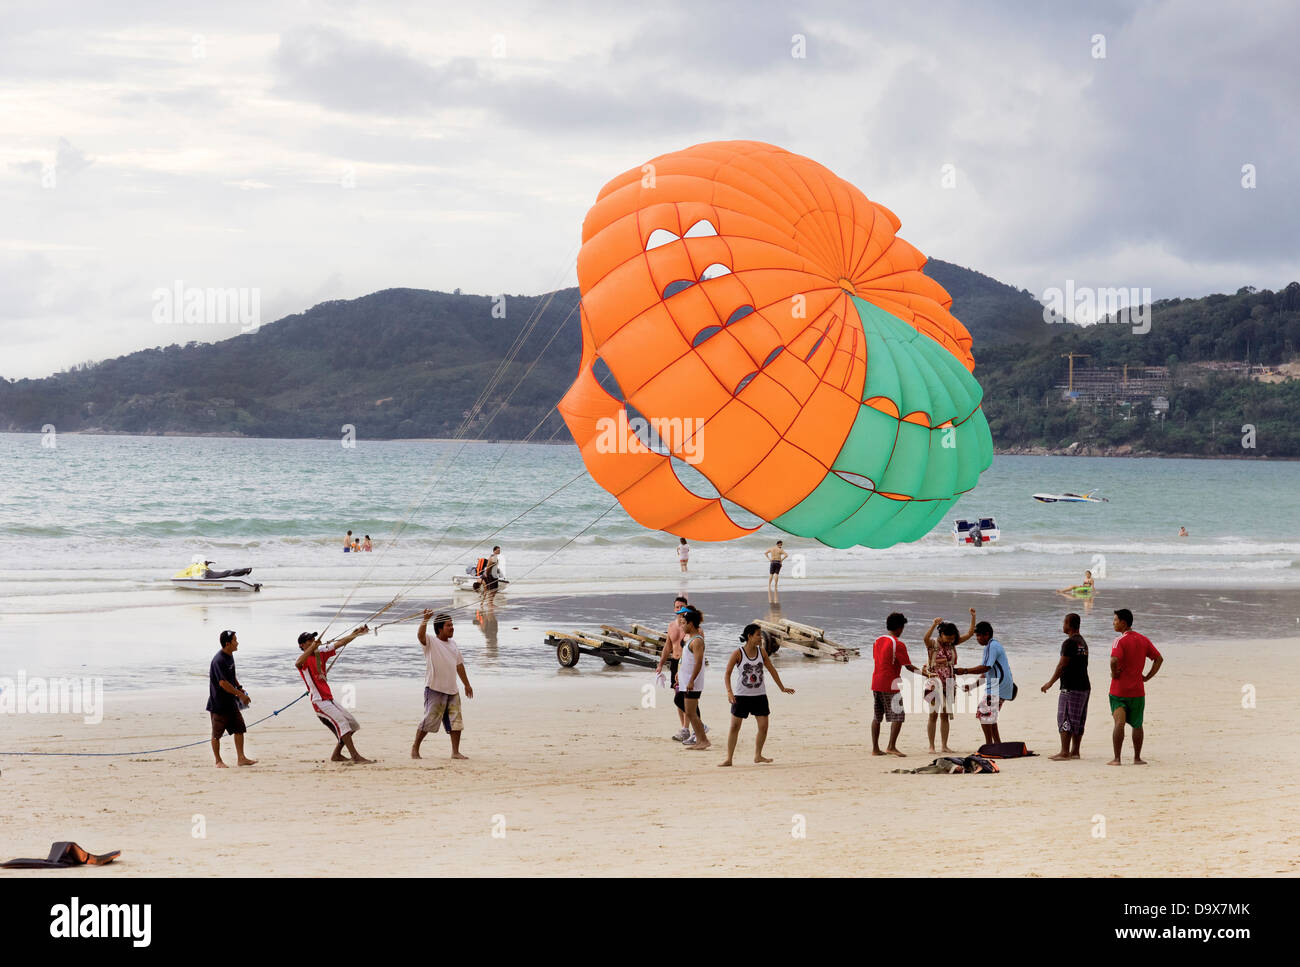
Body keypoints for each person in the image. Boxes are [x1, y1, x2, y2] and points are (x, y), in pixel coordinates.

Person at [720, 623, 794, 766]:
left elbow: (772, 670)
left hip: (759, 696)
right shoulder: (738, 653)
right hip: (741, 696)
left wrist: (782, 687)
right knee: (735, 727)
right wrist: (729, 692)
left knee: (764, 727)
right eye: (758, 634)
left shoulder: (762, 652)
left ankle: (758, 755)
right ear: (749, 636)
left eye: (760, 634)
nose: (761, 637)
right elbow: (727, 674)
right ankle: (729, 759)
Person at [296, 626, 372, 763]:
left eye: (313, 638)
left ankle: (336, 755)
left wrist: (356, 633)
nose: (313, 641)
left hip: (328, 699)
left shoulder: (320, 653)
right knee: (343, 723)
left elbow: (341, 642)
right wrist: (312, 647)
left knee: (352, 724)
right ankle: (355, 756)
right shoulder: (304, 660)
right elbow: (298, 663)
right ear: (302, 645)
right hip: (319, 701)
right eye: (309, 640)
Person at [413, 611, 475, 760]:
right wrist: (425, 620)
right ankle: (415, 748)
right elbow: (420, 636)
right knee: (429, 720)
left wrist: (467, 684)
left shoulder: (453, 644)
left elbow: (459, 665)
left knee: (456, 722)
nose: (452, 627)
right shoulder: (431, 642)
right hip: (434, 688)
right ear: (440, 628)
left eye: (452, 624)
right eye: (448, 625)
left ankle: (455, 752)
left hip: (452, 690)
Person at [1108, 608, 1163, 766]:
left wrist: (1114, 673)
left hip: (1119, 690)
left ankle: (1117, 759)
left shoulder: (1120, 640)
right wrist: (1147, 676)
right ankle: (1137, 758)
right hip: (1137, 691)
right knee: (1137, 725)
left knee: (1119, 723)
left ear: (1123, 623)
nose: (1113, 623)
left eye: (1115, 620)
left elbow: (1113, 660)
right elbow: (1159, 659)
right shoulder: (1143, 639)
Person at [921, 609, 976, 753]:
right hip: (934, 682)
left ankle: (944, 745)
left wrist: (973, 617)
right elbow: (925, 639)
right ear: (941, 634)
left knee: (945, 715)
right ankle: (931, 746)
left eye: (952, 638)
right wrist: (933, 625)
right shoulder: (932, 644)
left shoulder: (952, 644)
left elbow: (970, 634)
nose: (950, 641)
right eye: (948, 638)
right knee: (933, 714)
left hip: (950, 682)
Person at [955, 621, 1014, 746]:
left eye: (979, 636)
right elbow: (987, 671)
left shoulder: (991, 646)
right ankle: (997, 744)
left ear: (987, 634)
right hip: (1000, 684)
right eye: (976, 636)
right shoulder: (992, 645)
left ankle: (989, 745)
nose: (977, 639)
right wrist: (972, 686)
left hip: (998, 685)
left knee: (984, 713)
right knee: (990, 716)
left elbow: (985, 668)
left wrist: (964, 670)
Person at [1040, 612, 1090, 760]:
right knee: (1079, 718)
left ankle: (1064, 752)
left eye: (1064, 623)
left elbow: (1062, 665)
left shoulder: (1068, 643)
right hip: (1084, 686)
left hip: (1071, 686)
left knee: (1065, 717)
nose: (1063, 625)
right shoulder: (1082, 642)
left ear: (1069, 625)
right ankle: (1075, 751)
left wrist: (1050, 683)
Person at [871, 612, 921, 757]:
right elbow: (908, 666)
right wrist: (927, 674)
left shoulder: (878, 640)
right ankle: (891, 746)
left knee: (877, 716)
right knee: (898, 715)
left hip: (875, 682)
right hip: (890, 684)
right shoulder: (898, 644)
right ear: (899, 627)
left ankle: (875, 749)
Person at [207, 630, 256, 768]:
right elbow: (223, 683)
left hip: (231, 702)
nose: (237, 642)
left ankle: (241, 758)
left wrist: (240, 687)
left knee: (239, 728)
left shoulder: (230, 656)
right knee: (217, 734)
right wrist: (240, 695)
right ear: (228, 643)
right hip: (218, 704)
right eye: (235, 640)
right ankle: (218, 761)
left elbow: (231, 676)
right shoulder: (219, 660)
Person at [654, 595, 694, 740]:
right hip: (675, 664)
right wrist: (660, 664)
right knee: (678, 697)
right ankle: (685, 728)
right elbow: (667, 647)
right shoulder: (671, 626)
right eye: (677, 607)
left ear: (686, 608)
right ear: (674, 608)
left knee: (686, 697)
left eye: (681, 607)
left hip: (686, 664)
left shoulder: (690, 626)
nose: (679, 609)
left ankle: (688, 727)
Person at [676, 606, 709, 750]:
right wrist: (679, 674)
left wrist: (691, 680)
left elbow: (698, 662)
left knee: (690, 712)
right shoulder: (690, 640)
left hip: (693, 683)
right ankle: (701, 740)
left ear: (690, 624)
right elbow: (686, 660)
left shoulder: (697, 641)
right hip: (686, 681)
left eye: (684, 623)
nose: (682, 626)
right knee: (690, 711)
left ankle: (703, 740)